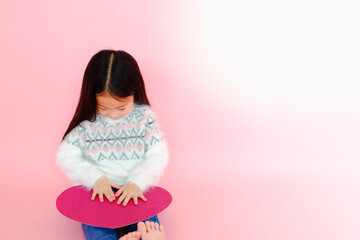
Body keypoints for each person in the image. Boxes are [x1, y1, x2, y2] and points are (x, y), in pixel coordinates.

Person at [56, 50, 169, 240]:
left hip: (133, 192)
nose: (113, 115)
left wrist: (137, 183)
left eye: (122, 107)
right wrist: (95, 179)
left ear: (135, 94)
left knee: (148, 220)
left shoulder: (144, 120)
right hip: (100, 195)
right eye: (103, 108)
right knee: (96, 227)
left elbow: (158, 154)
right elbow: (66, 155)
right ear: (91, 98)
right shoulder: (87, 124)